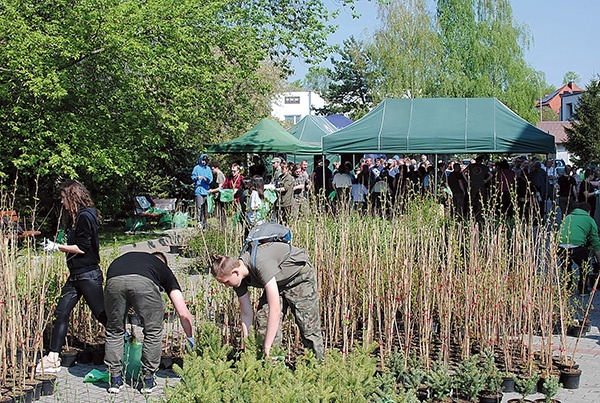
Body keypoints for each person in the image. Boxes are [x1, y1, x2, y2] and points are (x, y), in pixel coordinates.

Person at [37, 180, 107, 373]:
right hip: (76, 275)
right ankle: (53, 356)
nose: (61, 202)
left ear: (72, 196)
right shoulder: (76, 217)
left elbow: (83, 248)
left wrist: (57, 247)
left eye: (63, 198)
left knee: (101, 314)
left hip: (88, 275)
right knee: (61, 312)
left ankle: (125, 338)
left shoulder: (85, 216)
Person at [210, 241, 324, 359]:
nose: (227, 286)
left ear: (235, 272)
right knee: (264, 319)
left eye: (226, 282)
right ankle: (272, 366)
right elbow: (246, 312)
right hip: (277, 282)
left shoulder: (260, 264)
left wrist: (267, 346)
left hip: (299, 279)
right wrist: (248, 343)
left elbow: (276, 310)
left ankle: (317, 366)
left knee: (308, 326)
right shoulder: (238, 280)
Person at [103, 251, 194, 394]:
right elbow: (183, 313)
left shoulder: (128, 259)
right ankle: (148, 380)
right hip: (143, 284)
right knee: (153, 332)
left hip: (114, 280)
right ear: (163, 263)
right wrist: (190, 339)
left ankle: (114, 380)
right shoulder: (163, 269)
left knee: (115, 331)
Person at [558, 202, 600, 295]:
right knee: (584, 265)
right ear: (588, 211)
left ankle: (567, 288)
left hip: (560, 246)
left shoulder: (568, 217)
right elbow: (595, 242)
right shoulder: (589, 219)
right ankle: (583, 288)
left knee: (566, 266)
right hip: (577, 247)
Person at [191, 153, 213, 229]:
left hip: (206, 190)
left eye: (205, 160)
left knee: (206, 207)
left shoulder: (208, 169)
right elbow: (192, 177)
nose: (204, 162)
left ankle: (205, 221)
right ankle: (199, 221)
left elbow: (211, 179)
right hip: (199, 190)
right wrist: (197, 177)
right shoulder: (196, 168)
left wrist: (207, 179)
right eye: (203, 160)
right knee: (199, 207)